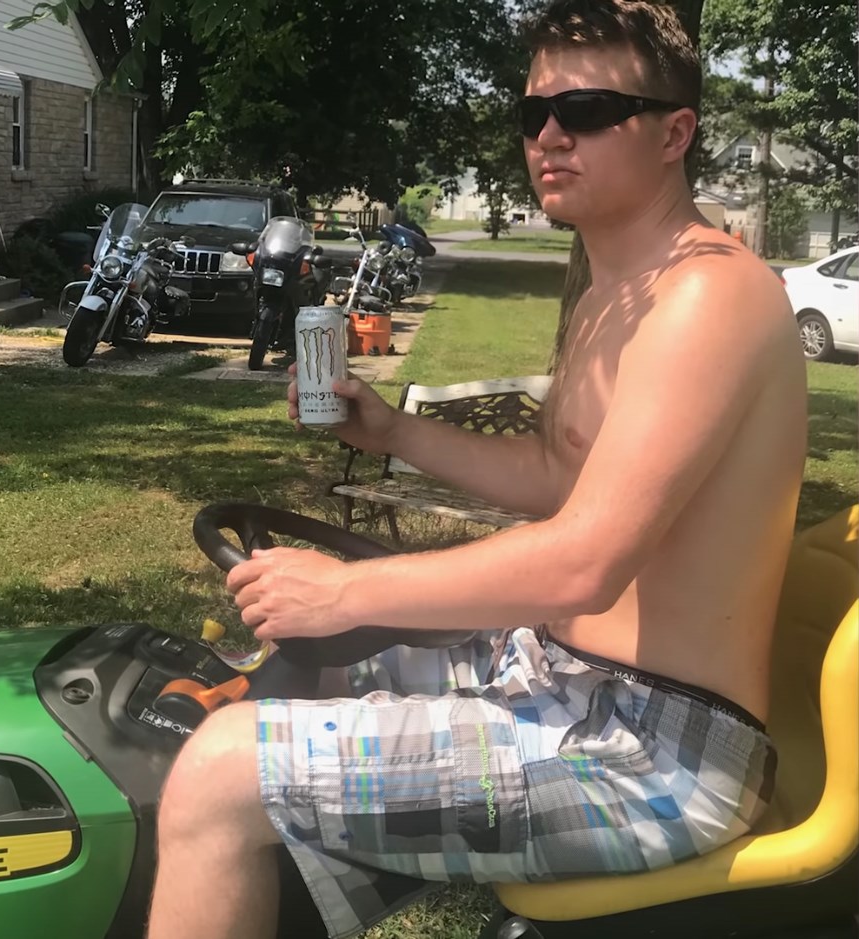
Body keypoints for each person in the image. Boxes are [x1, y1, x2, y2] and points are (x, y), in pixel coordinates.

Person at [146, 1, 808, 937]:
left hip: (652, 749)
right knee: (293, 669)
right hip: (559, 673)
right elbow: (553, 475)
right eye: (533, 113)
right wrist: (392, 432)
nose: (549, 136)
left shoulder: (708, 295)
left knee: (218, 774)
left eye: (587, 110)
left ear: (674, 134)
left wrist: (345, 591)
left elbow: (584, 561)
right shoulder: (615, 294)